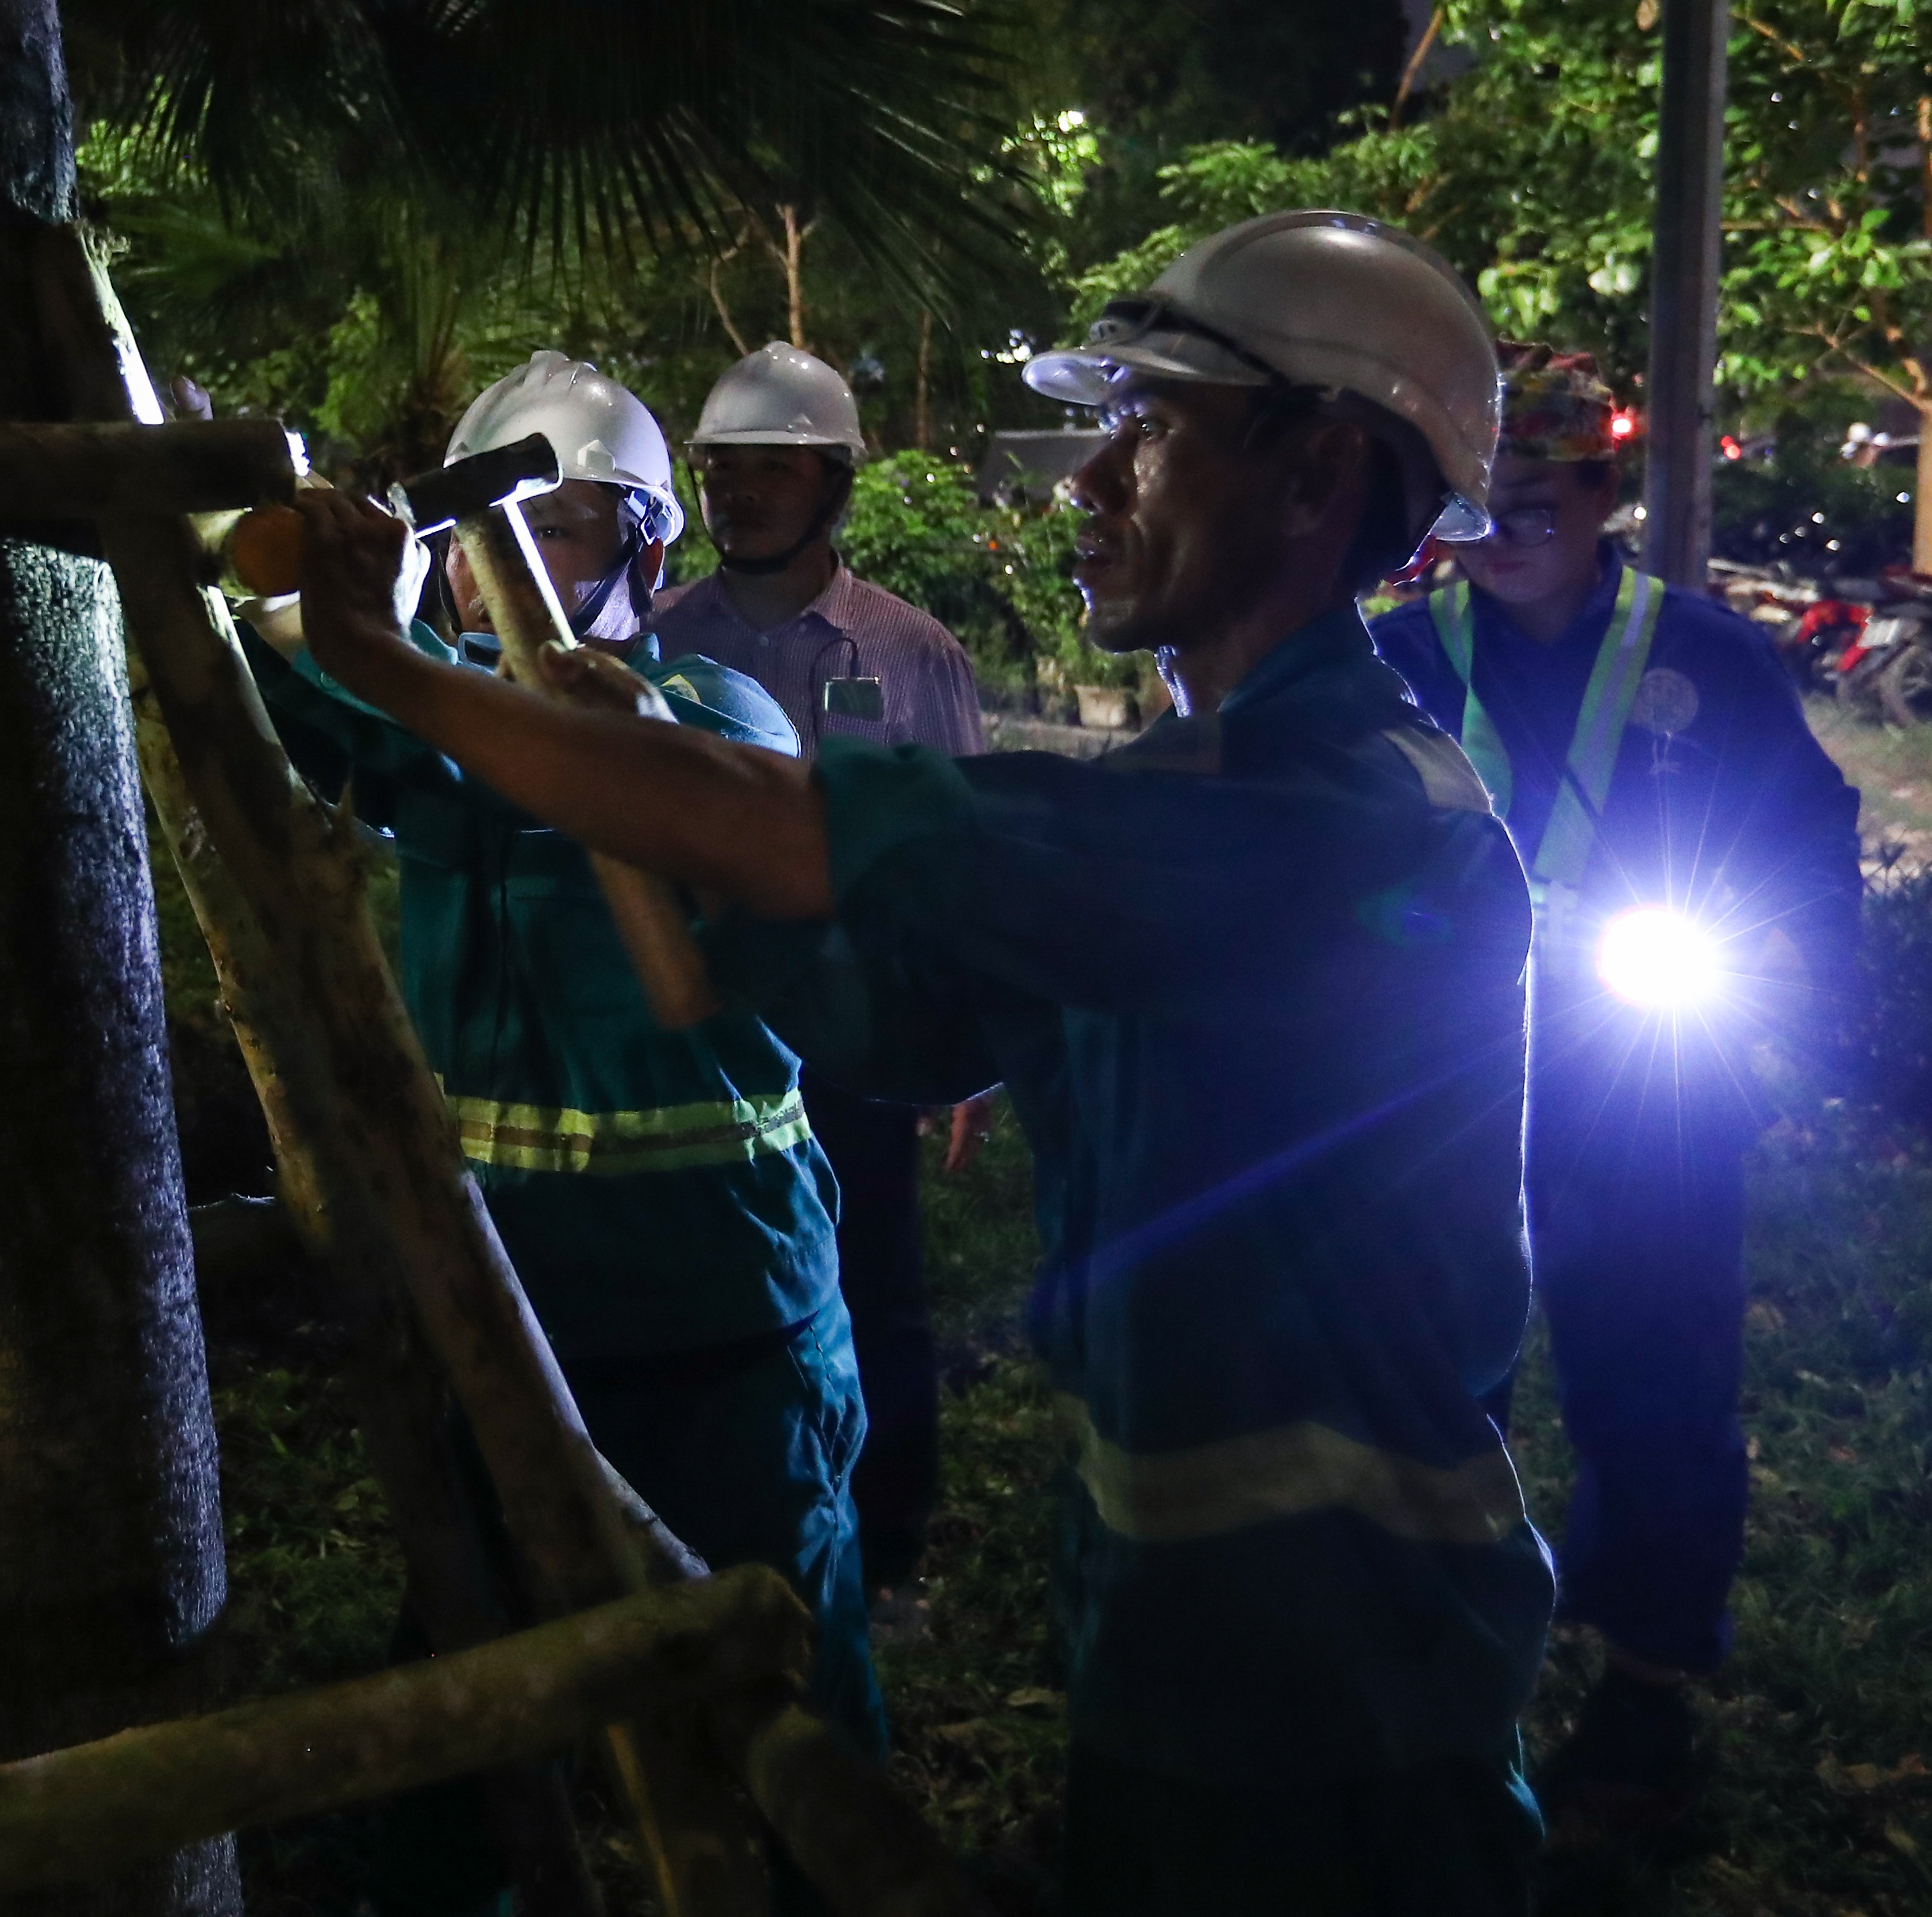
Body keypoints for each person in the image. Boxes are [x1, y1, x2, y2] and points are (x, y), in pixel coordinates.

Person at [283, 216, 1557, 1914]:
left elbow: (816, 836)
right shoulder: (1201, 786)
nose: (1091, 483)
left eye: (1153, 431)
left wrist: (395, 666)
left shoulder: (1339, 819)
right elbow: (909, 1013)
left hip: (1348, 1661)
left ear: (1319, 475)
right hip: (1181, 1612)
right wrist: (652, 795)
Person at [240, 352, 884, 1778]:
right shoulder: (440, 713)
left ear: (645, 544)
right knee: (484, 1695)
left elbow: (518, 751)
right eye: (463, 542)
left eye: (549, 528)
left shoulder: (716, 720)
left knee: (778, 1687)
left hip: (722, 1307)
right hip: (504, 1301)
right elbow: (296, 691)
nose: (490, 573)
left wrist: (371, 647)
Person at [1367, 350, 1862, 1831]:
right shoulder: (1392, 655)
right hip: (1430, 1088)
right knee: (1414, 1377)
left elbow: (1807, 838)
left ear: (1603, 497)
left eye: (1540, 496)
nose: (1508, 526)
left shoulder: (1701, 656)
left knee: (1655, 1380)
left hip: (1642, 1081)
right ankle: (1415, 1654)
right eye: (1484, 499)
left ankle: (1644, 1692)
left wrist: (1783, 1011)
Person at [649, 340, 987, 1597]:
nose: (735, 494)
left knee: (876, 1281)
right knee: (718, 1276)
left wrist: (967, 1049)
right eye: (718, 471)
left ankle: (885, 1548)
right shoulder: (656, 639)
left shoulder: (908, 654)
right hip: (703, 1022)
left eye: (768, 471)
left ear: (833, 483)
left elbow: (960, 858)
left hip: (853, 1029)